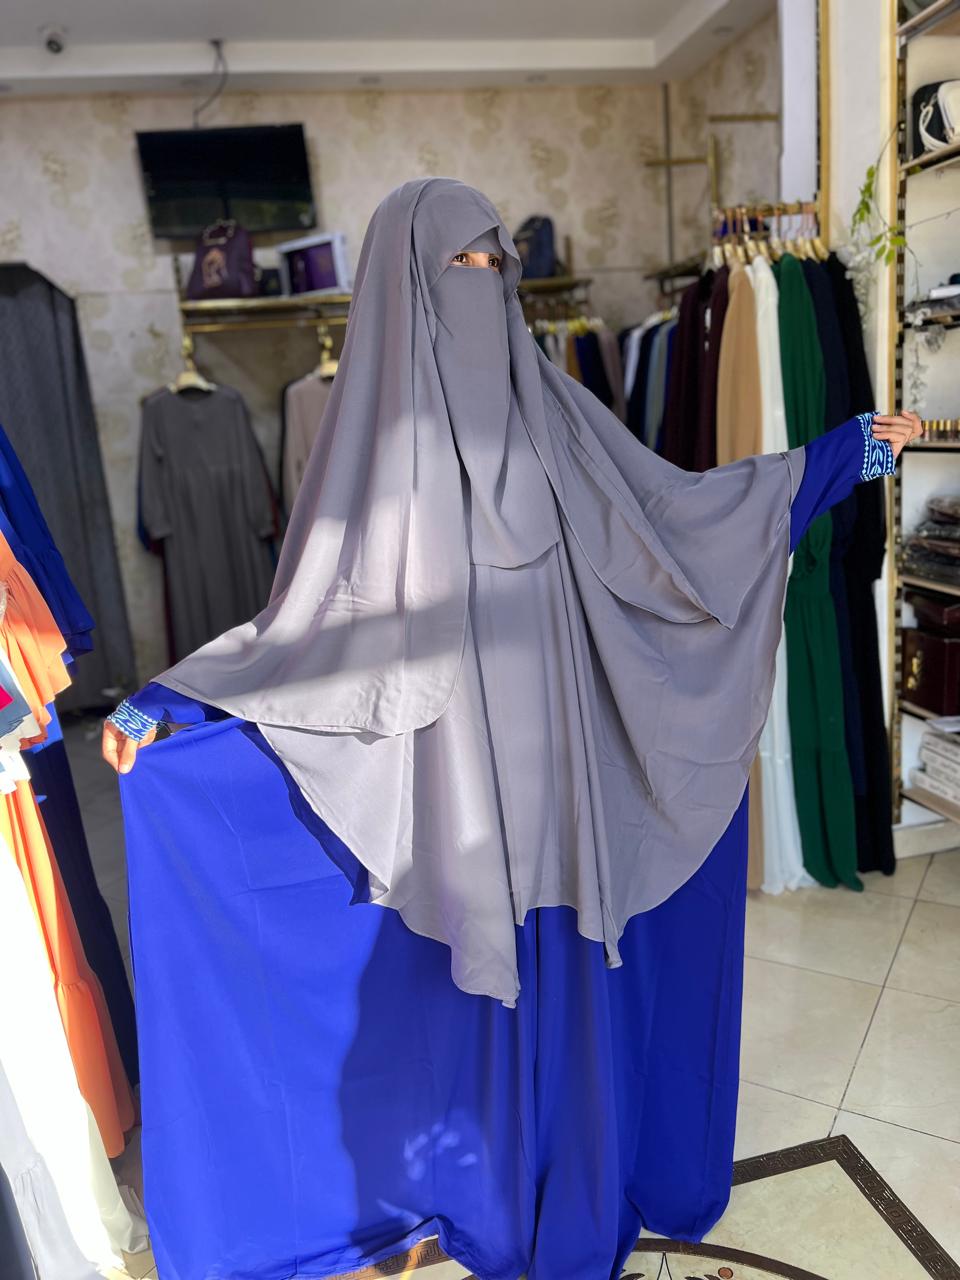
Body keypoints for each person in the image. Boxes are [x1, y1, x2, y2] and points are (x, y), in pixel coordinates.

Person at [103, 178, 921, 1280]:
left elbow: (678, 520)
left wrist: (838, 457)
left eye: (498, 267)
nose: (484, 288)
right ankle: (463, 1191)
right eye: (461, 267)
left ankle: (577, 1177)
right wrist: (171, 704)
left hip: (572, 775)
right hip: (454, 780)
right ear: (407, 287)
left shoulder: (558, 415)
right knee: (452, 990)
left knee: (572, 981)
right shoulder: (375, 455)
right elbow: (307, 629)